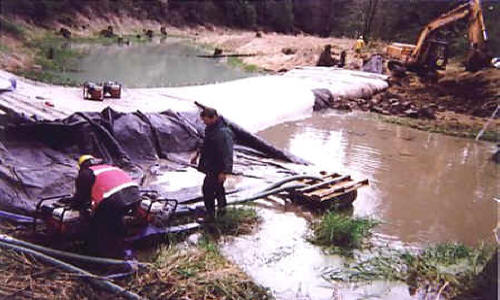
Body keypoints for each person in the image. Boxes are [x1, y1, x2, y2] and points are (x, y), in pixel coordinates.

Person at [72, 154, 140, 257]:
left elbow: (81, 196)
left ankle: (103, 255)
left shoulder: (86, 173)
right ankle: (123, 243)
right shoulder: (109, 167)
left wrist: (73, 206)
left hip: (113, 198)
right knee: (117, 219)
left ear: (81, 166)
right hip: (134, 194)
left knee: (99, 225)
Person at [191, 108, 234, 222]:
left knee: (207, 189)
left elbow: (228, 153)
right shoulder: (211, 128)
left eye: (205, 120)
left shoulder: (223, 132)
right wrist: (197, 155)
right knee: (218, 189)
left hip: (218, 167)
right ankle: (221, 213)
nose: (204, 123)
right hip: (211, 164)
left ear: (213, 117)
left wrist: (224, 172)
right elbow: (206, 143)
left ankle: (211, 216)